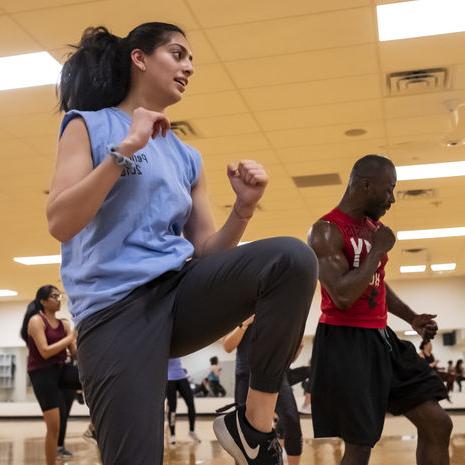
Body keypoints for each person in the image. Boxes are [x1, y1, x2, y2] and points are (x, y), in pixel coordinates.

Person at [48, 22, 318, 465]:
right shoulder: (88, 125)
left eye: (191, 58)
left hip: (179, 294)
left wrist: (244, 209)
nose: (189, 66)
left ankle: (252, 427)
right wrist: (125, 150)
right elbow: (60, 222)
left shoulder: (186, 155)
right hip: (115, 312)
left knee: (291, 259)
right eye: (177, 54)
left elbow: (207, 252)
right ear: (139, 58)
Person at [308, 155, 451, 465]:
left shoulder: (375, 228)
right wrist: (376, 251)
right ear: (365, 185)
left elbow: (376, 284)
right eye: (389, 190)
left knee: (438, 423)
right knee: (360, 446)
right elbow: (343, 295)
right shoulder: (326, 230)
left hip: (380, 336)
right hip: (344, 341)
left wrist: (411, 317)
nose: (392, 199)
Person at [224, 316, 304, 465]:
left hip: (275, 372)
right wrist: (244, 324)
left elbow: (289, 356)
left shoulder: (277, 308)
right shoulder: (239, 307)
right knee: (243, 431)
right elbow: (227, 346)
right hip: (246, 374)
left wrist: (295, 348)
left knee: (291, 420)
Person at [20, 285, 81, 465]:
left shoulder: (64, 324)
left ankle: (93, 429)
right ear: (43, 301)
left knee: (94, 380)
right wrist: (70, 338)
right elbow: (45, 351)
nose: (59, 299)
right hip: (41, 373)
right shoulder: (36, 321)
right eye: (54, 296)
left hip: (61, 369)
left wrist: (81, 340)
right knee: (54, 427)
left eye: (59, 295)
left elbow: (75, 353)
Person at [166, 358, 200, 445]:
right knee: (172, 408)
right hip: (169, 379)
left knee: (191, 404)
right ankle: (172, 434)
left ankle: (191, 431)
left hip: (182, 377)